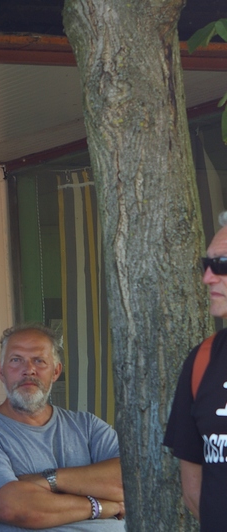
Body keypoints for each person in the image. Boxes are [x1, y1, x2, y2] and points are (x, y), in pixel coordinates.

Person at [0, 324, 125, 531]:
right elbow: (13, 507)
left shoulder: (87, 426)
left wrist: (48, 480)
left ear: (56, 371)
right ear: (1, 371)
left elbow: (130, 482)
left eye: (39, 360)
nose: (28, 370)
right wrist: (99, 506)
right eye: (16, 360)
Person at [164, 213, 227, 532]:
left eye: (223, 264)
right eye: (208, 263)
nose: (208, 277)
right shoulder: (203, 359)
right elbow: (193, 489)